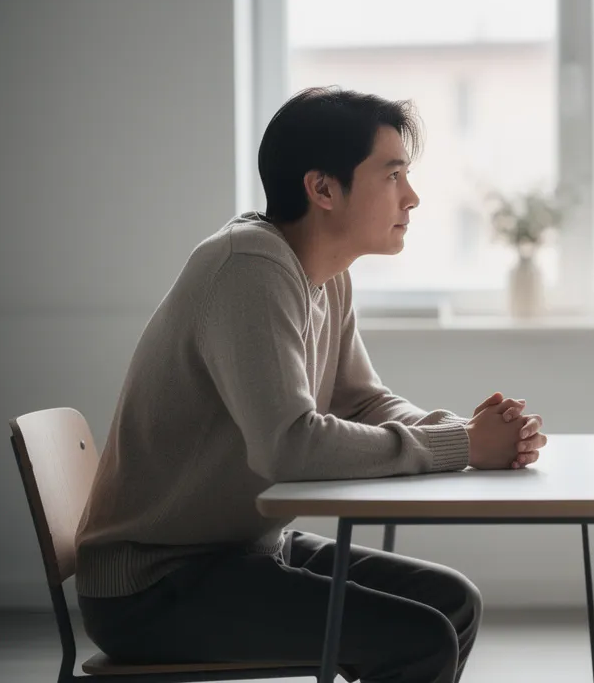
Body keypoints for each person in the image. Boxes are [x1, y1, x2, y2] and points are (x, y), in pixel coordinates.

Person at [74, 87, 548, 683]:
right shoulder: (250, 266)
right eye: (392, 175)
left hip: (240, 551)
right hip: (156, 583)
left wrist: (459, 431)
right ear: (322, 189)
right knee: (419, 637)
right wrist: (465, 447)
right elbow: (288, 445)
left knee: (452, 603)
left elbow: (363, 400)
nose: (413, 197)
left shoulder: (324, 274)